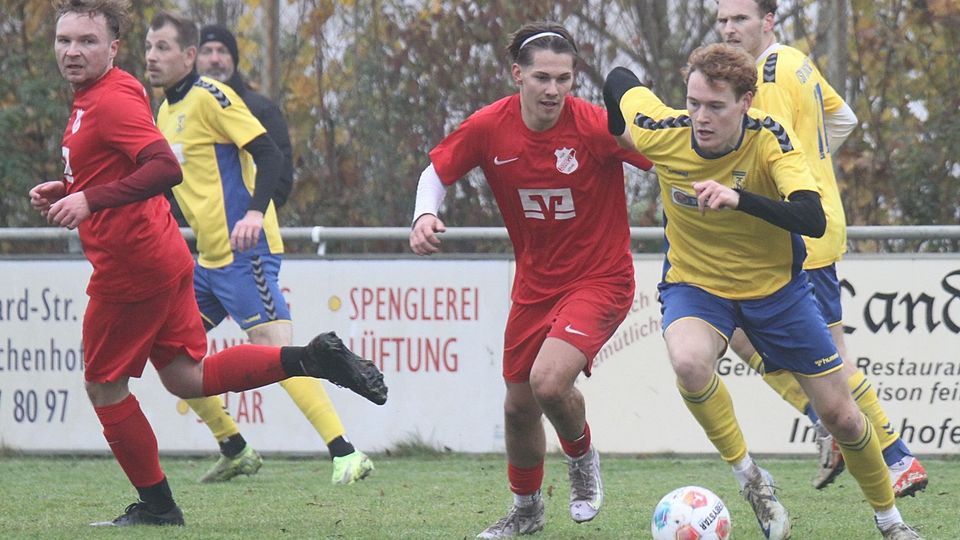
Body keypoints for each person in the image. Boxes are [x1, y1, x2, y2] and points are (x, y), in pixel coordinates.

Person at [35, 0, 386, 527]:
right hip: (173, 257)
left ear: (113, 48)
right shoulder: (118, 94)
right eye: (64, 40)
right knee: (185, 376)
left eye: (87, 41)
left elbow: (164, 168)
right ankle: (308, 360)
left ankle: (160, 506)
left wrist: (89, 200)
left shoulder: (117, 99)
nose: (72, 51)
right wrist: (70, 188)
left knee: (104, 385)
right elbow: (121, 167)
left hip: (137, 267)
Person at [603, 44, 921, 540]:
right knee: (688, 362)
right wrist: (620, 133)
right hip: (697, 285)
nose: (700, 117)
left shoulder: (771, 138)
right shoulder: (664, 132)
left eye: (716, 106)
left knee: (843, 417)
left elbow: (811, 217)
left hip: (777, 293)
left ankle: (890, 521)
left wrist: (739, 199)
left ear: (746, 102)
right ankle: (751, 479)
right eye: (693, 102)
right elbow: (618, 80)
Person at [409, 22, 652, 538]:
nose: (553, 90)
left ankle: (582, 458)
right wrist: (424, 214)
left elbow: (663, 158)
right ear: (517, 74)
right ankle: (526, 511)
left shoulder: (595, 125)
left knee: (548, 382)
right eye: (542, 77)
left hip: (601, 278)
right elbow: (436, 173)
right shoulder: (489, 126)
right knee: (519, 408)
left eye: (564, 79)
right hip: (535, 286)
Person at [146, 17, 374, 487]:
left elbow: (269, 154)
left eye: (163, 47)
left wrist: (253, 213)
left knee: (278, 352)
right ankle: (235, 448)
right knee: (168, 352)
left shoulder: (211, 96)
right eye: (148, 46)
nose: (151, 56)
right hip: (208, 261)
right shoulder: (165, 111)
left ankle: (347, 453)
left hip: (246, 253)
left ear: (188, 56)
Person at [715, 0, 928, 497]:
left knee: (826, 355)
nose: (728, 28)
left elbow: (759, 155)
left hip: (794, 233)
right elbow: (844, 119)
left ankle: (894, 456)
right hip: (817, 221)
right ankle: (831, 422)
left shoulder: (766, 77)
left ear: (768, 21)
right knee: (740, 332)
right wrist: (810, 162)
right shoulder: (796, 61)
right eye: (722, 20)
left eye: (740, 19)